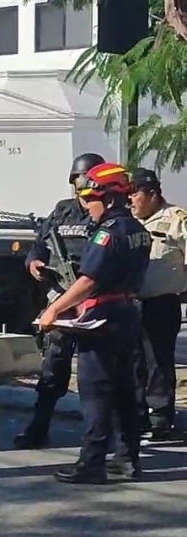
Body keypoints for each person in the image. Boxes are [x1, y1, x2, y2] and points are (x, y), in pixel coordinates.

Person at [39, 162, 150, 484]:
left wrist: (54, 310)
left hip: (102, 316)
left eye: (90, 198)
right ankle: (128, 459)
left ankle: (92, 463)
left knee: (96, 392)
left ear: (110, 197)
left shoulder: (109, 233)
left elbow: (88, 281)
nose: (86, 205)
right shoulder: (138, 230)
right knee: (125, 390)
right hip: (127, 312)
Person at [13, 152, 105, 449]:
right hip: (61, 302)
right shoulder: (62, 212)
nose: (82, 191)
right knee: (52, 371)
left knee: (101, 376)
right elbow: (39, 246)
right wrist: (34, 264)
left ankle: (108, 438)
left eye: (87, 183)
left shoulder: (108, 212)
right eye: (78, 185)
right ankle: (39, 428)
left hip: (96, 303)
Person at [129, 168, 186, 441]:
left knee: (158, 361)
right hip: (130, 303)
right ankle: (137, 415)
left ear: (152, 194)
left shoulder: (176, 220)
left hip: (161, 302)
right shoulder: (127, 220)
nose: (131, 200)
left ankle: (160, 418)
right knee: (134, 361)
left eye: (135, 194)